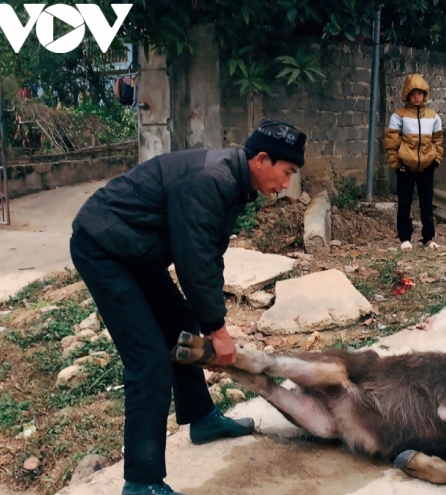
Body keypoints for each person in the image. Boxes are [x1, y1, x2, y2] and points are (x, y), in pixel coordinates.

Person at [70, 119, 307, 495]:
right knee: (148, 362)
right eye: (286, 172)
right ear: (262, 159)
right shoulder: (212, 180)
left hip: (135, 248)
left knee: (181, 322)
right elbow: (193, 261)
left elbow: (208, 255)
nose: (285, 184)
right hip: (104, 247)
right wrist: (218, 330)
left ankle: (201, 419)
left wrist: (210, 322)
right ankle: (141, 483)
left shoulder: (233, 183)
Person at [384, 73, 444, 251]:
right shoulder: (399, 116)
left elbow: (438, 140)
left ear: (425, 94)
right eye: (413, 93)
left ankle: (428, 238)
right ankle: (405, 238)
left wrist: (436, 160)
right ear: (407, 95)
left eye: (420, 93)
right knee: (405, 202)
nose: (417, 97)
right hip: (405, 167)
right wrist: (397, 164)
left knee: (427, 203)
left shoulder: (433, 116)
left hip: (427, 166)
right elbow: (391, 142)